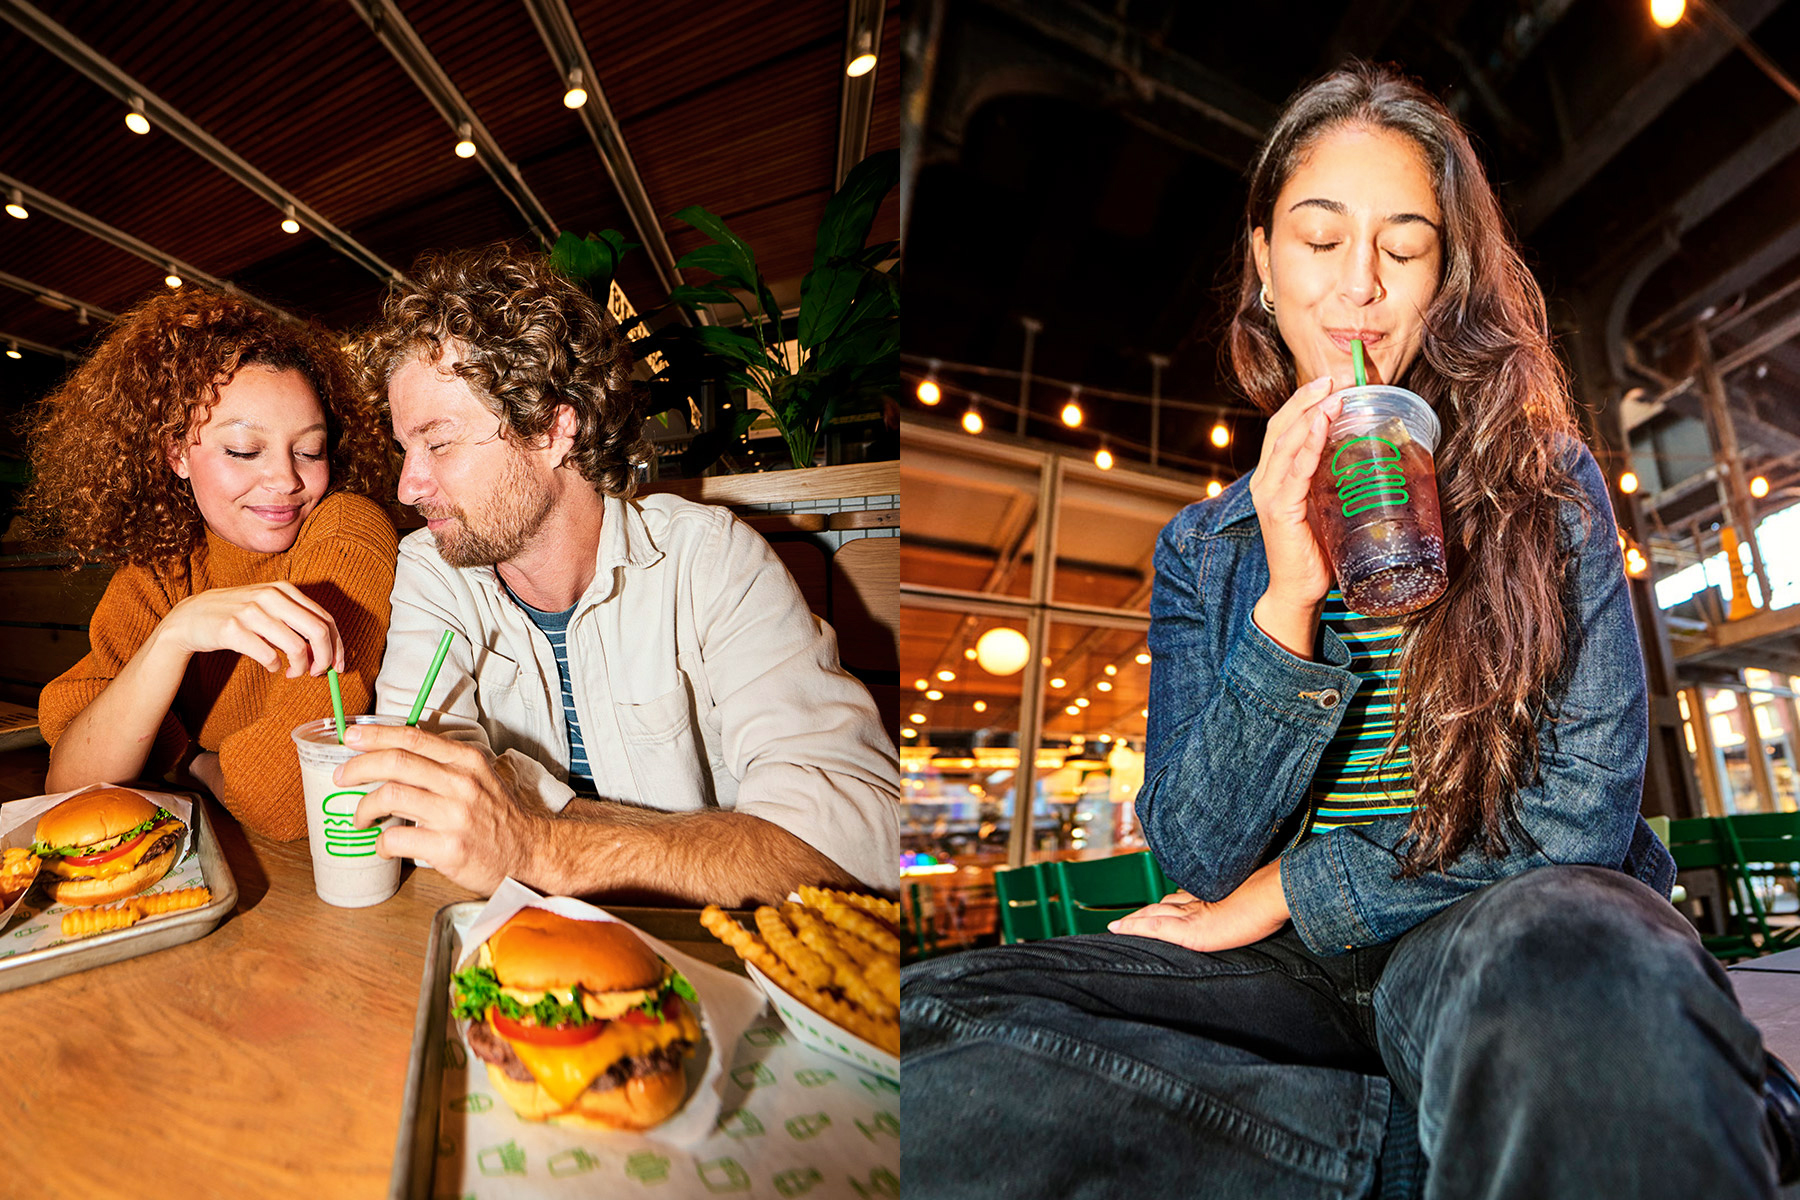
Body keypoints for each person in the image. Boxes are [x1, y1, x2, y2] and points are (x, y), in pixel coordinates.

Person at [901, 64, 1799, 1199]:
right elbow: (1197, 852)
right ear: (1266, 265)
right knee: (934, 1028)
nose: (1359, 288)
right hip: (1283, 978)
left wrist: (1290, 893)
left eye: (1405, 247)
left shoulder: (1547, 480)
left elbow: (1578, 815)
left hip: (1499, 923)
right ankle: (1522, 1133)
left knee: (1585, 977)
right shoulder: (1206, 545)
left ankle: (1564, 1096)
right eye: (1320, 240)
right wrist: (1285, 594)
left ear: (1446, 279)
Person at [337, 246, 899, 906]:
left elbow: (864, 837)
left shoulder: (709, 562)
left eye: (438, 442)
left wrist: (533, 844)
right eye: (407, 449)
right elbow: (424, 802)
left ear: (551, 430)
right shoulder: (434, 571)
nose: (408, 486)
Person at [28, 289, 398, 840]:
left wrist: (193, 763)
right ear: (177, 453)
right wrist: (172, 638)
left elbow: (289, 800)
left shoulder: (347, 532)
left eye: (311, 450)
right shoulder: (160, 571)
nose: (286, 480)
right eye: (245, 450)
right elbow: (72, 785)